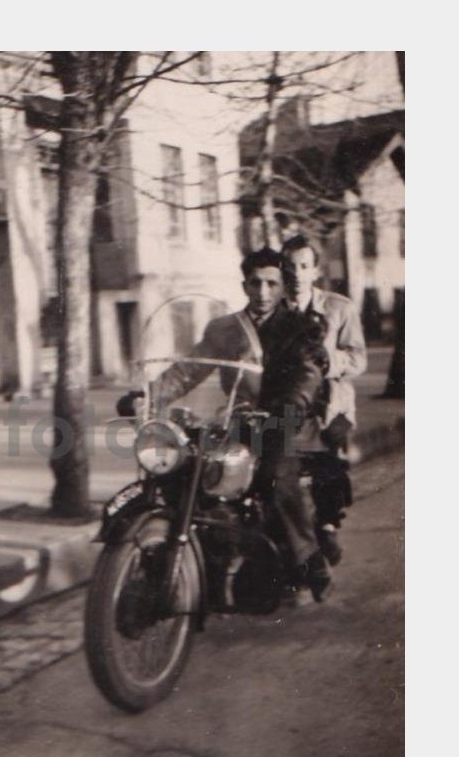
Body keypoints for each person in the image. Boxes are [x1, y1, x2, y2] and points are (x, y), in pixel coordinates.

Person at [118, 248, 331, 599]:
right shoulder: (225, 329)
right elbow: (190, 369)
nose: (262, 292)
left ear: (282, 287)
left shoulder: (301, 327)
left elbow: (308, 375)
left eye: (271, 284)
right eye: (255, 283)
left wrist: (292, 407)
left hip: (284, 424)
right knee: (186, 469)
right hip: (238, 419)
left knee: (276, 477)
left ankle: (307, 561)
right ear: (244, 286)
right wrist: (148, 396)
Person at [279, 234, 367, 566]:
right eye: (289, 267)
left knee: (330, 457)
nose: (296, 275)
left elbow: (358, 359)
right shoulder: (274, 311)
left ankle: (328, 524)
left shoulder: (339, 308)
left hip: (330, 406)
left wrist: (329, 361)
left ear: (316, 270)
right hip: (288, 404)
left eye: (304, 266)